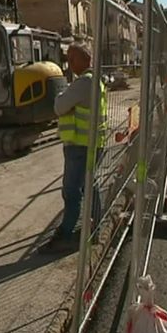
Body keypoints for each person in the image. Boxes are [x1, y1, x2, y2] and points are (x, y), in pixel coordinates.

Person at [39, 44, 107, 254]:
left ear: (81, 60)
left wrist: (62, 94)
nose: (68, 64)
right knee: (89, 185)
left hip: (80, 145)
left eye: (71, 59)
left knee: (71, 191)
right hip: (93, 142)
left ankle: (66, 234)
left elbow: (59, 106)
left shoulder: (83, 83)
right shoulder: (96, 80)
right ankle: (96, 227)